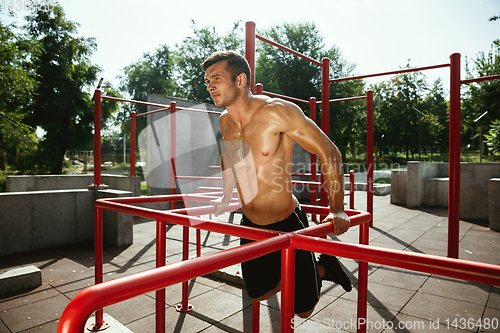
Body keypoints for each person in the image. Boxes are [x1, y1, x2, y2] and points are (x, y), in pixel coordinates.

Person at [203, 51, 351, 318]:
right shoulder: (226, 122)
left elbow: (329, 152)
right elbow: (229, 159)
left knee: (303, 310)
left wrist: (337, 208)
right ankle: (305, 272)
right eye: (206, 81)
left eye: (216, 78)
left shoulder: (277, 113)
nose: (209, 85)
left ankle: (321, 269)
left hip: (287, 223)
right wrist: (226, 198)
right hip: (250, 224)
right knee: (258, 293)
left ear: (240, 80)